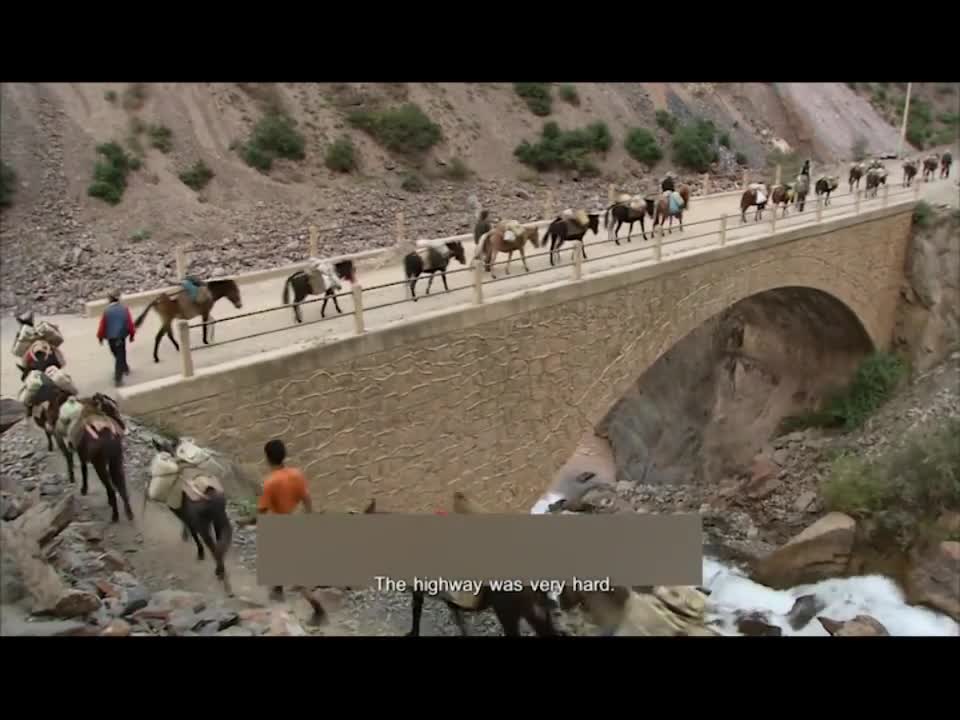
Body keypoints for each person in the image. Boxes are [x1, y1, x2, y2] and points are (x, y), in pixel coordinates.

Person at [258, 439, 328, 626]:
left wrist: (248, 521)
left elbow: (262, 511)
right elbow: (306, 498)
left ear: (267, 458)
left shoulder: (271, 482)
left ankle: (319, 611)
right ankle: (278, 588)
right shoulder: (297, 474)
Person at [96, 290, 135, 387]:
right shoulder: (124, 309)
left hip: (110, 338)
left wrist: (100, 337)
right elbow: (130, 324)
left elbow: (102, 326)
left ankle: (123, 369)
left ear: (109, 299)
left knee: (117, 354)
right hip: (120, 337)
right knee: (120, 355)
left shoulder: (107, 311)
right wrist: (132, 335)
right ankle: (119, 378)